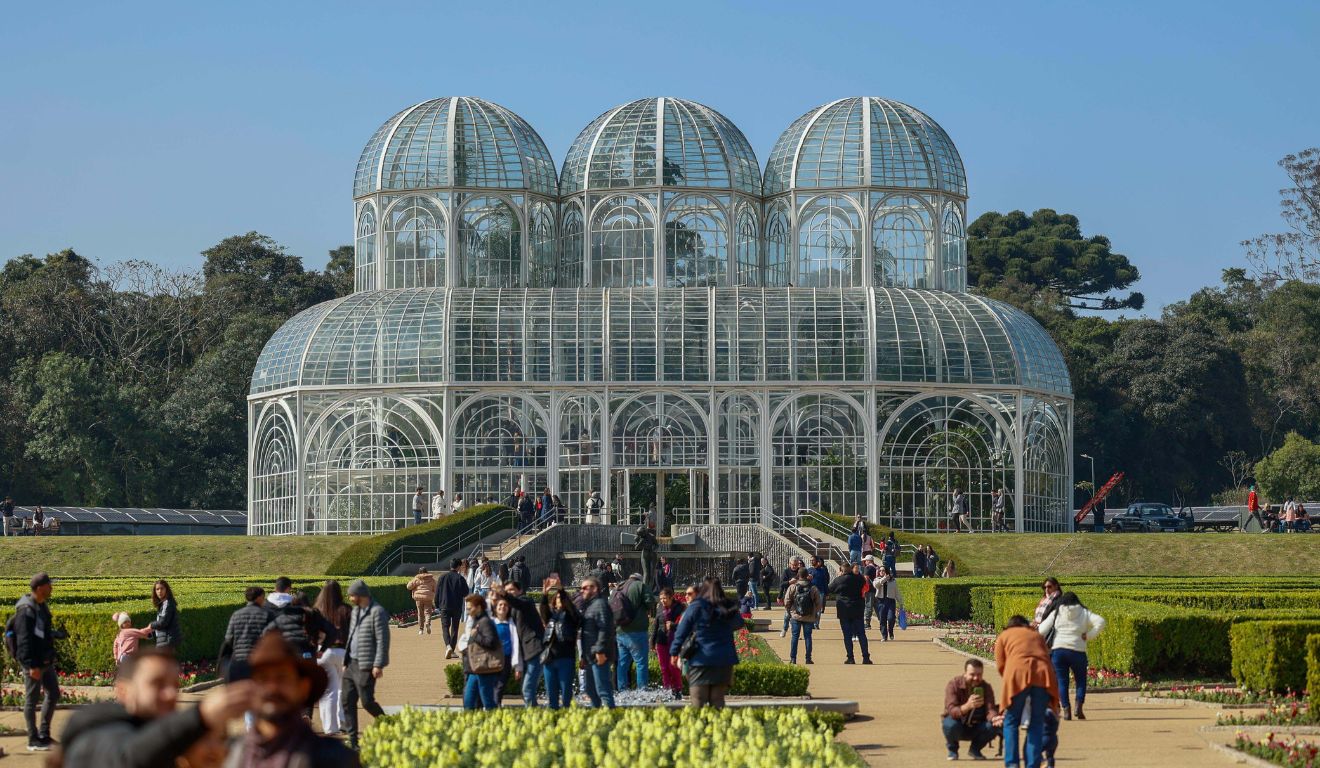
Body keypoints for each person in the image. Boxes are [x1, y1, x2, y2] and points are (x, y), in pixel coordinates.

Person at [56, 647, 258, 767]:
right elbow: (127, 758)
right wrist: (200, 715)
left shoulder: (161, 737)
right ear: (123, 691)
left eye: (174, 686)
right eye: (157, 684)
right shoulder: (96, 731)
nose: (171, 694)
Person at [226, 633, 360, 767]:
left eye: (282, 678)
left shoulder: (336, 759)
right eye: (262, 679)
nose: (272, 688)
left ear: (303, 687)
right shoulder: (232, 755)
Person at [995, 615, 1061, 768]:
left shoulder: (1004, 636)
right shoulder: (1036, 635)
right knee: (1036, 723)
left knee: (1011, 722)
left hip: (1017, 674)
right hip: (1043, 675)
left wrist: (1012, 682)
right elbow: (1046, 656)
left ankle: (1012, 764)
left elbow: (1000, 664)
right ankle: (1032, 764)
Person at [670, 576, 744, 707]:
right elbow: (739, 623)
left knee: (698, 702)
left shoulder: (696, 607)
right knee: (718, 702)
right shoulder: (727, 607)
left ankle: (701, 727)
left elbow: (681, 632)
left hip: (700, 659)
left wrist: (674, 652)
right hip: (724, 660)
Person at [13, 572, 65, 751]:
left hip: (45, 661)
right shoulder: (26, 610)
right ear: (40, 588)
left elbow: (41, 632)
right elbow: (24, 640)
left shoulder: (42, 606)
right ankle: (32, 739)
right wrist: (30, 665)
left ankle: (44, 734)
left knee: (53, 693)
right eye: (49, 585)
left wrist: (56, 634)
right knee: (31, 700)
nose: (52, 587)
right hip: (34, 663)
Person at [1037, 591, 1105, 720]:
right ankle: (1078, 706)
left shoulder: (1057, 612)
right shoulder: (1084, 612)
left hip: (1059, 650)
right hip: (1078, 650)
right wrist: (1089, 635)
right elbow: (1100, 621)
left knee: (1062, 682)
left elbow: (1042, 630)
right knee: (1081, 681)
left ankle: (1066, 710)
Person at [341, 579, 389, 751]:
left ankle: (388, 724)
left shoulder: (377, 612)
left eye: (351, 595)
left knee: (367, 701)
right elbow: (351, 636)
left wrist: (379, 664)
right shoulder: (355, 612)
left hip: (367, 664)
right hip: (351, 663)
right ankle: (353, 741)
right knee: (347, 700)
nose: (349, 597)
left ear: (360, 595)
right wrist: (346, 661)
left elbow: (383, 640)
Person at [940, 658, 1002, 761]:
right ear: (965, 673)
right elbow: (951, 710)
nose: (976, 678)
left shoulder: (986, 687)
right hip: (958, 725)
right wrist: (967, 706)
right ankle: (953, 750)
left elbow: (990, 709)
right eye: (972, 674)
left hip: (977, 726)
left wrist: (994, 718)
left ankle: (975, 749)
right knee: (949, 724)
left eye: (979, 675)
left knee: (994, 725)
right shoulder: (954, 685)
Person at [312, 579, 351, 736]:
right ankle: (342, 721)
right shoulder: (346, 610)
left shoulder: (317, 610)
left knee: (328, 692)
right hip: (342, 652)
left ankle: (330, 727)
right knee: (343, 689)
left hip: (322, 652)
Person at [503, 580, 545, 707]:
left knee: (527, 689)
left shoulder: (526, 602)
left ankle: (533, 716)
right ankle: (534, 715)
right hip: (525, 653)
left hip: (535, 649)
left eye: (511, 590)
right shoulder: (511, 609)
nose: (509, 593)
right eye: (507, 591)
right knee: (525, 690)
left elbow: (518, 602)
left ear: (520, 591)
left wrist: (504, 594)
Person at [539, 587, 581, 710]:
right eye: (557, 598)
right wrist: (544, 594)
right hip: (550, 659)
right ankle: (554, 719)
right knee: (551, 695)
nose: (559, 600)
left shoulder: (571, 616)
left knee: (566, 694)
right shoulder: (551, 617)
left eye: (561, 598)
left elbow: (575, 616)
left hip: (565, 658)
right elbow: (543, 611)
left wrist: (561, 590)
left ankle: (566, 718)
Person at [577, 576, 616, 708]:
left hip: (599, 655)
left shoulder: (600, 604)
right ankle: (597, 717)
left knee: (603, 690)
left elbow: (605, 628)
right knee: (590, 690)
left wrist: (600, 650)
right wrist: (584, 657)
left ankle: (611, 718)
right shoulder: (591, 605)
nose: (581, 591)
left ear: (594, 589)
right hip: (590, 656)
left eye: (584, 588)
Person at [219, 587, 273, 679]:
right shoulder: (267, 614)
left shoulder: (236, 614)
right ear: (259, 598)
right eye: (264, 597)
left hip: (238, 661)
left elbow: (228, 639)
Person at [615, 571, 656, 691]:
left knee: (622, 663)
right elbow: (650, 602)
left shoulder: (620, 586)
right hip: (637, 631)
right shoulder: (640, 585)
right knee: (641, 662)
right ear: (639, 579)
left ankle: (622, 690)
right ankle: (642, 690)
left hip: (620, 631)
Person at [828, 563, 872, 664]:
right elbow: (863, 584)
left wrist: (838, 577)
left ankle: (850, 657)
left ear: (841, 570)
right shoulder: (859, 578)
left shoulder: (839, 580)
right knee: (861, 634)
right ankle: (866, 657)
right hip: (857, 608)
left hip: (844, 610)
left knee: (847, 635)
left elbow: (829, 589)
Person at [652, 586, 686, 698]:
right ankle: (667, 690)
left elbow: (685, 625)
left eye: (665, 598)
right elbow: (656, 625)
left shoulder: (680, 608)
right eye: (661, 598)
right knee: (664, 668)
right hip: (661, 641)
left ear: (671, 597)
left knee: (673, 667)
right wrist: (652, 641)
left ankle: (678, 689)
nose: (662, 601)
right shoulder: (660, 608)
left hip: (674, 641)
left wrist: (673, 625)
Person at [783, 568, 822, 665]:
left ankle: (793, 658)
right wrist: (814, 612)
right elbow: (818, 603)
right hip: (809, 616)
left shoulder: (793, 587)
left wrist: (790, 611)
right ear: (807, 575)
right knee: (808, 637)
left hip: (796, 615)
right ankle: (808, 658)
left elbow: (786, 601)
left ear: (798, 575)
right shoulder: (813, 587)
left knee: (795, 637)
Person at [489, 593, 522, 704]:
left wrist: (517, 666)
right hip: (493, 659)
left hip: (506, 659)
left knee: (501, 684)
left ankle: (496, 704)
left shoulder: (511, 624)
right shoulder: (491, 623)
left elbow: (515, 644)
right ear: (496, 608)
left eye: (505, 605)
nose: (502, 607)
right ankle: (492, 706)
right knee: (492, 683)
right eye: (500, 605)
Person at [437, 558, 471, 659]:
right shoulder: (460, 578)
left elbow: (437, 592)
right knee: (455, 628)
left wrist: (437, 604)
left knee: (445, 627)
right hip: (456, 606)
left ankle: (448, 646)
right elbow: (465, 592)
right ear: (458, 567)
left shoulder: (442, 577)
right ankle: (451, 649)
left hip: (444, 605)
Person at [875, 566, 904, 642]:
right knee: (882, 619)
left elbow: (896, 592)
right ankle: (884, 636)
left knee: (891, 618)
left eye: (883, 570)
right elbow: (876, 585)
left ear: (886, 571)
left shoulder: (893, 580)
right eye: (880, 570)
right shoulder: (877, 579)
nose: (881, 572)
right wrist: (884, 578)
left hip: (890, 601)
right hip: (881, 601)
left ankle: (890, 630)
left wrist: (900, 602)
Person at [407, 567, 437, 636]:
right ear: (427, 572)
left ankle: (421, 630)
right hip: (428, 598)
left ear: (419, 572)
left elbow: (408, 587)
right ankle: (428, 623)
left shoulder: (416, 579)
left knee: (420, 614)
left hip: (418, 598)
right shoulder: (431, 579)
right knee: (427, 612)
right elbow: (435, 588)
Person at [779, 556, 802, 637]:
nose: (795, 566)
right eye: (793, 565)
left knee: (796, 615)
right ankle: (785, 629)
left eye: (796, 565)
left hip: (799, 596)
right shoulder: (786, 572)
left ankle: (795, 633)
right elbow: (781, 584)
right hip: (788, 596)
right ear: (789, 564)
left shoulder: (800, 571)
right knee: (787, 615)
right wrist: (789, 582)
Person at [635, 519, 659, 589]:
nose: (642, 535)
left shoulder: (651, 536)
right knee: (646, 573)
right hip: (644, 554)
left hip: (652, 554)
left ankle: (650, 589)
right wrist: (640, 542)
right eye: (640, 535)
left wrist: (654, 549)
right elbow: (636, 548)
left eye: (642, 534)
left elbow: (657, 545)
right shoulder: (639, 537)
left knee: (651, 573)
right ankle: (645, 589)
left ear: (645, 532)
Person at [809, 557, 830, 629]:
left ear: (817, 561)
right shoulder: (809, 570)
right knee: (811, 609)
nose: (811, 561)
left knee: (818, 609)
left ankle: (816, 624)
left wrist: (827, 593)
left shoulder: (822, 571)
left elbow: (825, 582)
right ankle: (811, 624)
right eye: (810, 560)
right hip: (810, 592)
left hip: (820, 592)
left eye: (813, 560)